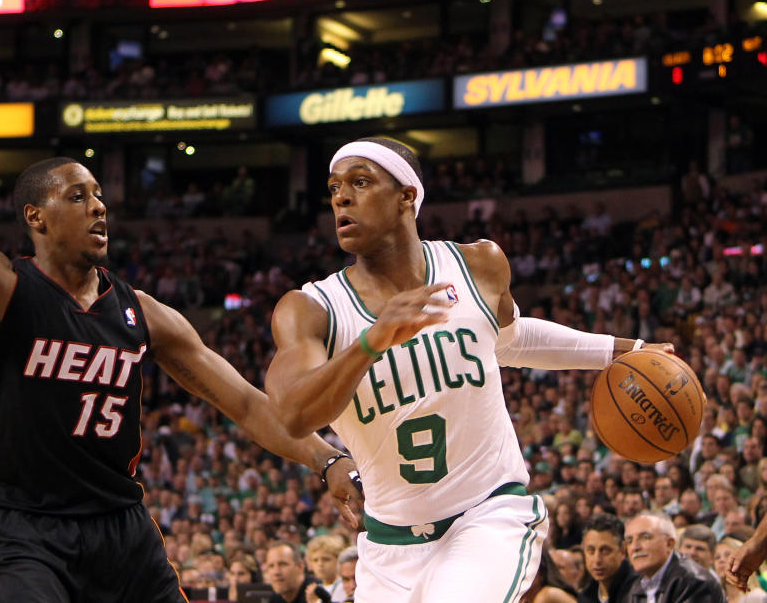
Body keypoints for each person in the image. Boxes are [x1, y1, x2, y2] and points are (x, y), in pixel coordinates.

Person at [0, 0, 361, 603]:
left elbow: (245, 401)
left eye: (99, 195)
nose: (99, 206)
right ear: (36, 217)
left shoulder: (141, 313)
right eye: (77, 197)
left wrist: (326, 460)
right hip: (25, 530)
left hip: (122, 529)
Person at [264, 136, 673, 602]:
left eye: (360, 182)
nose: (341, 196)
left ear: (407, 196)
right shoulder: (311, 309)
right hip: (389, 545)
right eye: (335, 187)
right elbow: (295, 416)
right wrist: (370, 342)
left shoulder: (477, 264)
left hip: (487, 516)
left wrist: (625, 350)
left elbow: (512, 340)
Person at [624, 513, 725, 602]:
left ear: (669, 544)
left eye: (645, 538)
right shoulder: (633, 583)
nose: (635, 547)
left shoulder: (694, 582)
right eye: (629, 541)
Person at [579, 513, 637, 603]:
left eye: (605, 551)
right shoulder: (586, 594)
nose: (597, 560)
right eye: (591, 551)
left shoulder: (638, 590)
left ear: (622, 550)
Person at [715, 537, 767, 603]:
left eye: (728, 555)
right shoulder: (715, 599)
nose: (721, 560)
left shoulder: (756, 597)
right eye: (717, 557)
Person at [304, 535, 345, 602]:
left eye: (326, 559)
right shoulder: (318, 588)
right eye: (315, 560)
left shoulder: (343, 586)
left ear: (338, 560)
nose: (320, 564)